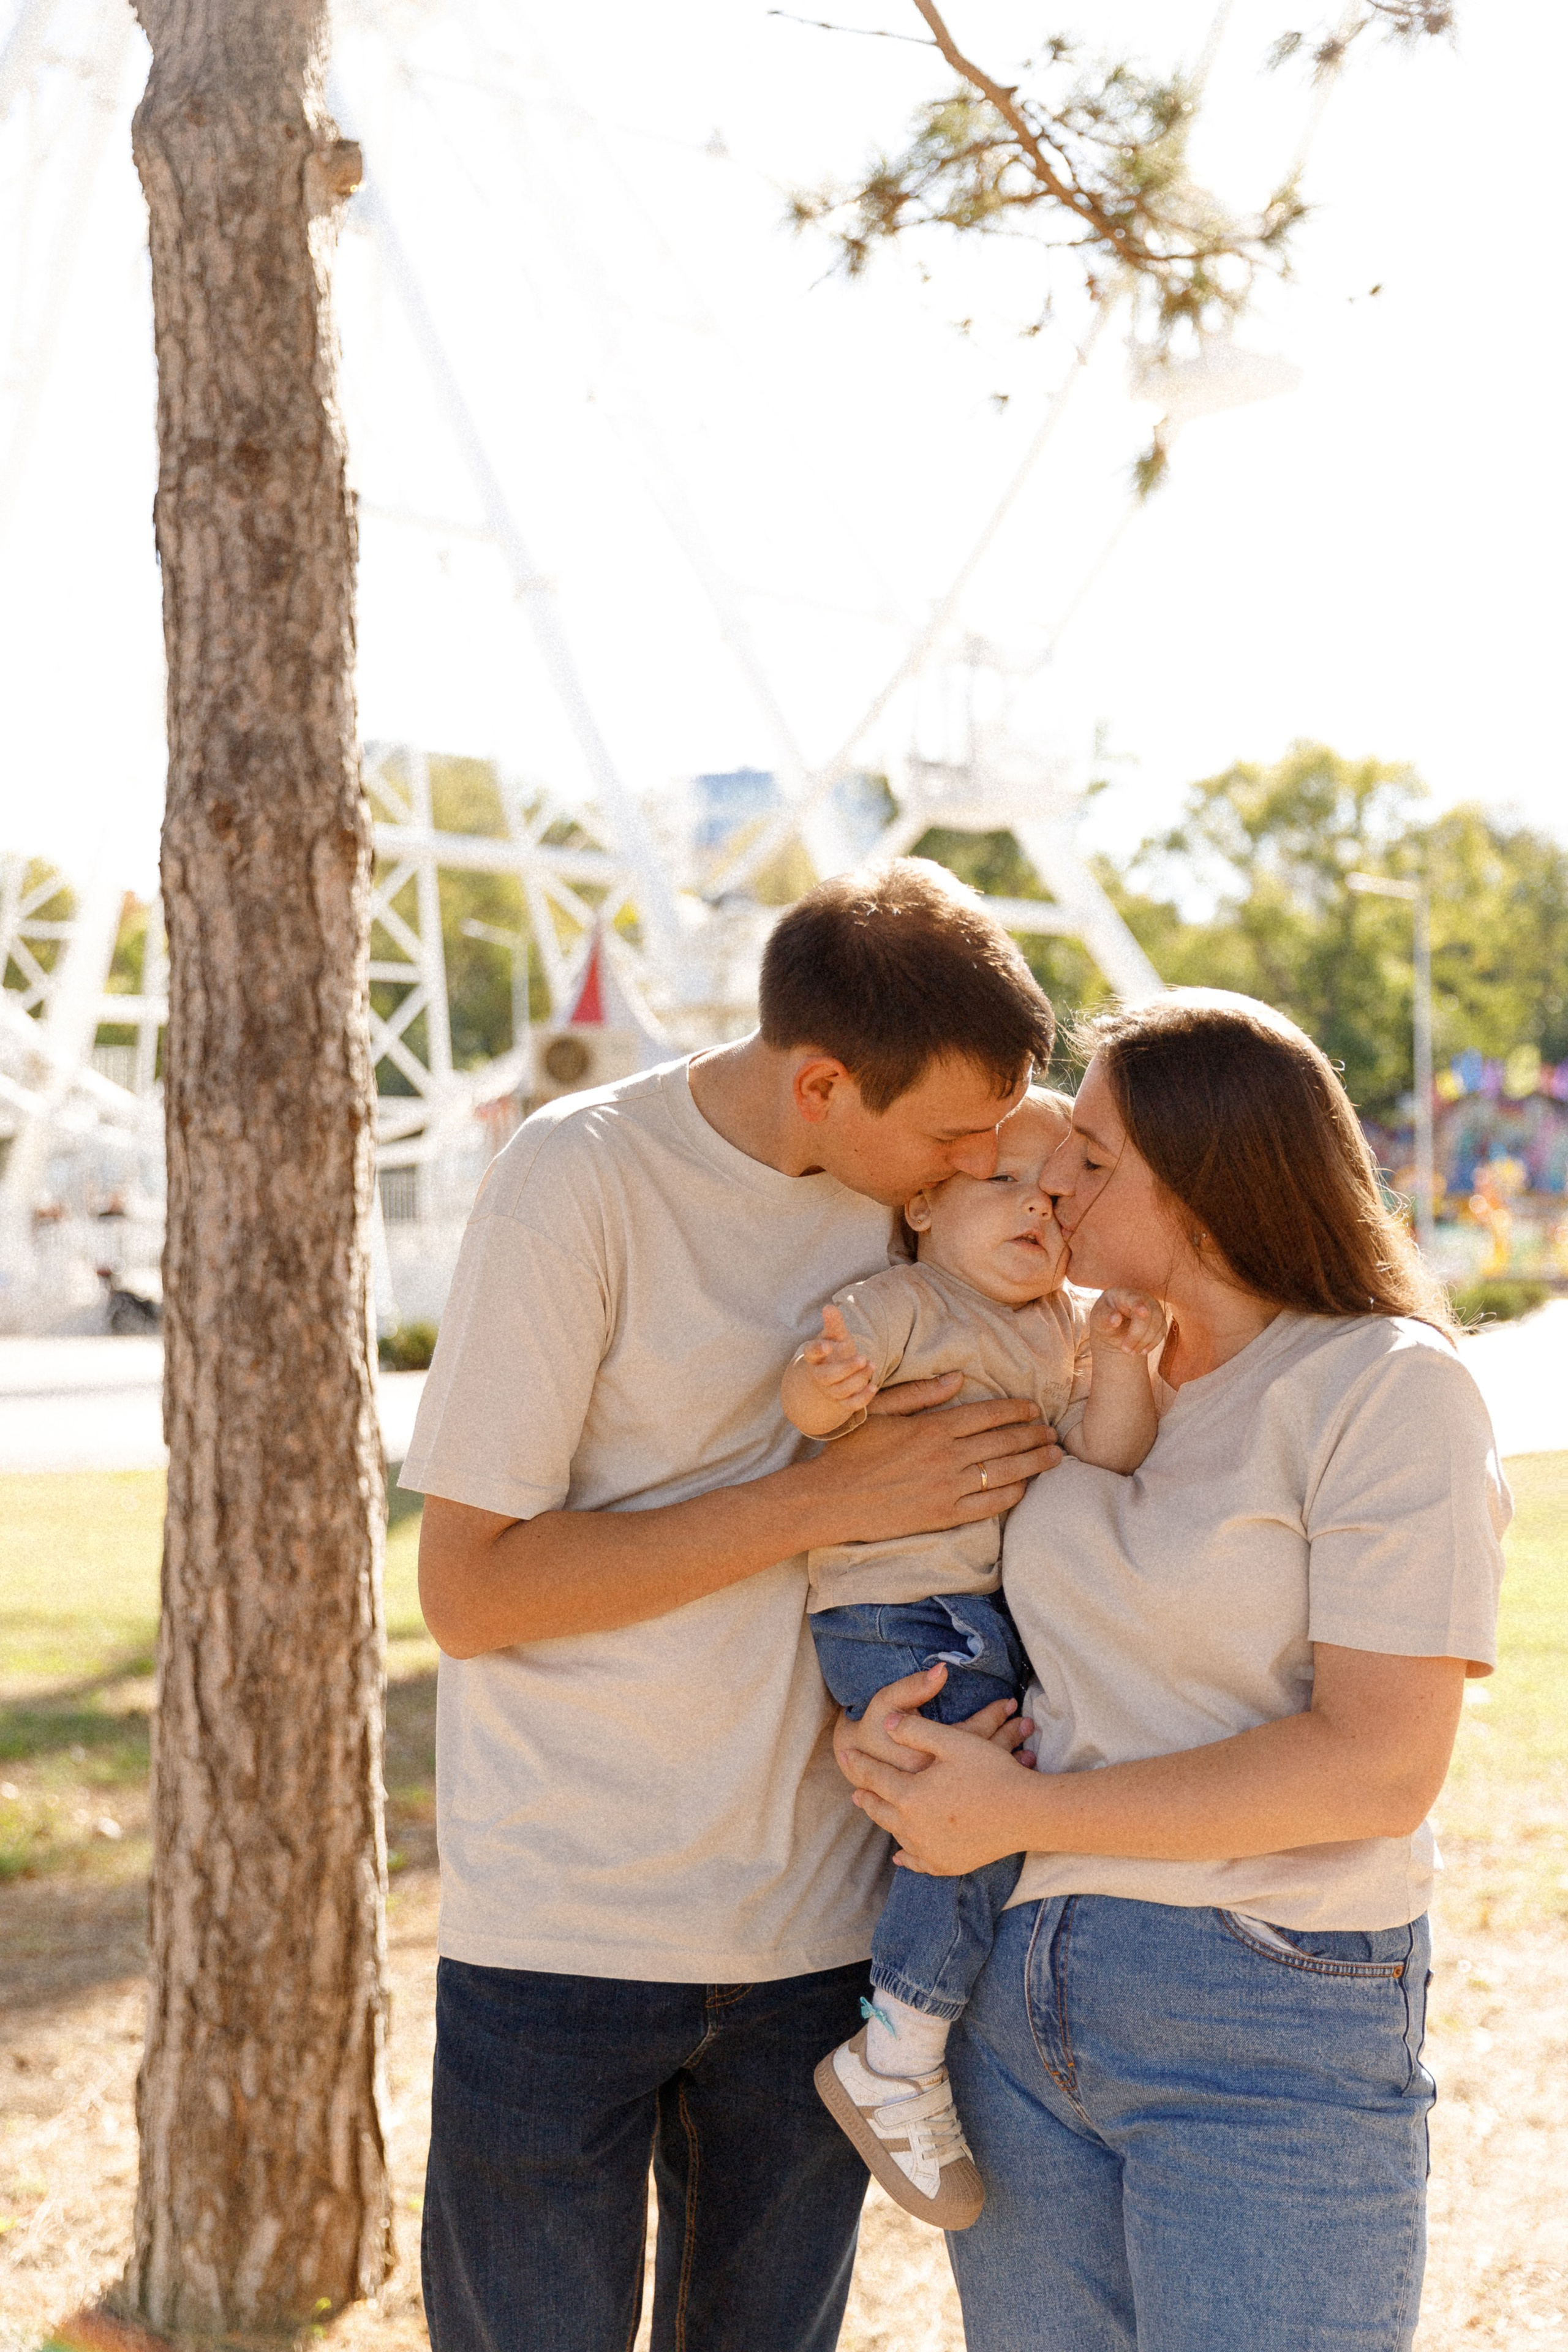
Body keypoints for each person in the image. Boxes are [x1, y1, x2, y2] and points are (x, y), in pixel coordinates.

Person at [399, 859, 1064, 2352]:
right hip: (563, 1935)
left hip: (817, 1946)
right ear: (822, 1084)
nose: (983, 1167)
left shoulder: (927, 1204)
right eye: (952, 1136)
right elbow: (468, 1591)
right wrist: (820, 1500)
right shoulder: (579, 1178)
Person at [835, 990, 1510, 2352]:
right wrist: (895, 1734)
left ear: (1205, 1181)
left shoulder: (1383, 1387)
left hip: (1262, 2008)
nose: (1047, 1186)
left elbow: (1378, 1767)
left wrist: (1023, 1812)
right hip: (1017, 2005)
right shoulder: (1077, 1370)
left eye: (1089, 1158)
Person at [781, 1088, 1166, 2231]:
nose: (1037, 1209)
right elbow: (816, 1404)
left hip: (981, 1618)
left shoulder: (1060, 1326)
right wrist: (828, 1384)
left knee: (990, 1806)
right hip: (895, 1612)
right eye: (1003, 1184)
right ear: (922, 1207)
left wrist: (1124, 1365)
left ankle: (909, 2036)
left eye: (1054, 1193)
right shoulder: (905, 1302)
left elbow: (1106, 1453)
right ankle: (896, 2049)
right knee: (970, 1813)